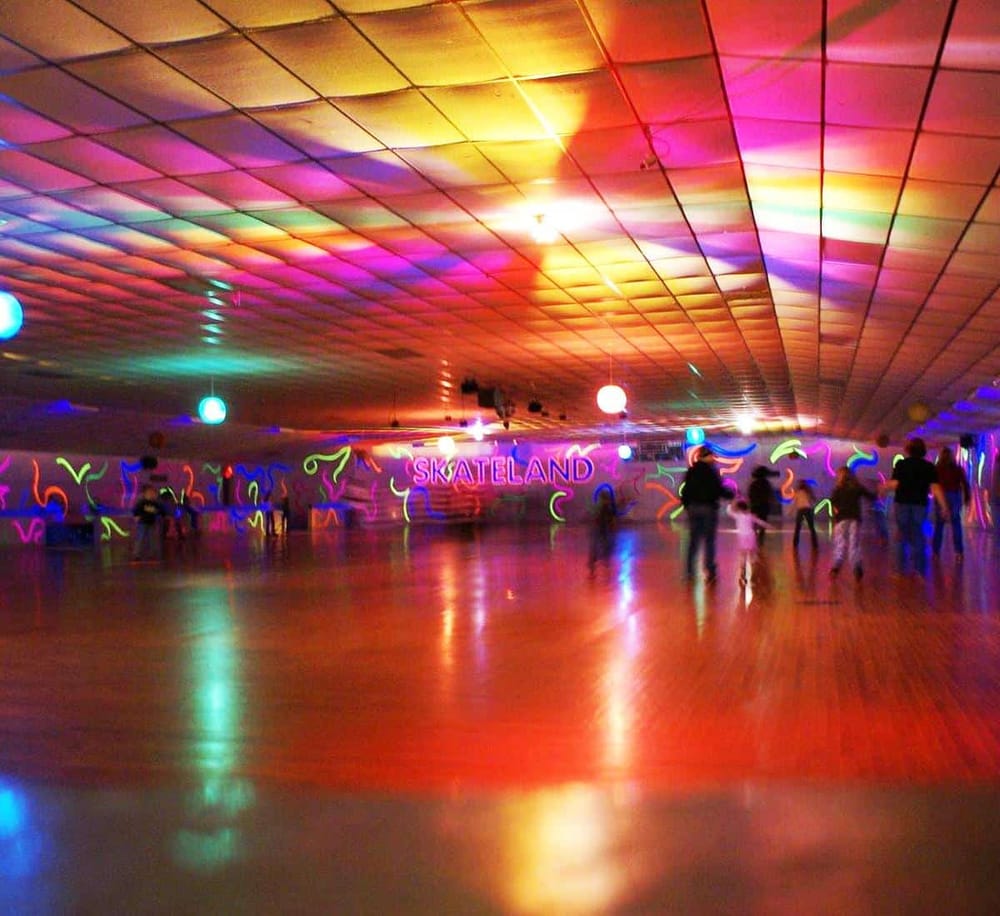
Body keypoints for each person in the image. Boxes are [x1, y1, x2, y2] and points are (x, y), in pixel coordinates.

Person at [883, 437, 948, 575]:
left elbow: (895, 484)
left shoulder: (901, 464)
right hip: (920, 505)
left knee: (901, 534)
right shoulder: (929, 467)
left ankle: (900, 570)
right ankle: (919, 569)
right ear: (923, 450)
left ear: (909, 450)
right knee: (918, 534)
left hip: (902, 503)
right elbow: (935, 488)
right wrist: (944, 506)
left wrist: (883, 488)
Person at [681, 445, 733, 584]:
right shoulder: (711, 471)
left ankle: (690, 572)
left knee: (694, 541)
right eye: (712, 456)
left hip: (693, 508)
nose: (714, 459)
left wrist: (687, 505)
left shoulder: (691, 471)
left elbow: (685, 490)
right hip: (708, 508)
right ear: (707, 456)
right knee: (709, 541)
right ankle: (710, 571)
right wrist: (731, 494)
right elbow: (718, 489)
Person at [829, 466, 876, 579]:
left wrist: (836, 514)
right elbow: (871, 497)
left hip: (841, 519)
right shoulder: (857, 487)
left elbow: (833, 503)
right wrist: (879, 491)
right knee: (854, 544)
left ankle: (836, 567)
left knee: (840, 544)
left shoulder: (838, 489)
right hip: (855, 519)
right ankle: (857, 567)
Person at [932, 446, 970, 560]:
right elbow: (965, 484)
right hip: (955, 496)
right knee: (956, 524)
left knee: (939, 524)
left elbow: (933, 484)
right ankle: (959, 552)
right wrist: (967, 497)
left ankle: (936, 552)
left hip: (941, 496)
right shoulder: (958, 469)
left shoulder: (937, 469)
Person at [728, 499, 771, 585]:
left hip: (742, 537)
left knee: (743, 555)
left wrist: (732, 503)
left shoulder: (738, 516)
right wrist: (769, 526)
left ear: (739, 508)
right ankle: (754, 573)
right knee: (752, 555)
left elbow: (729, 511)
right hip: (751, 536)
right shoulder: (750, 516)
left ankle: (743, 573)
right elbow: (760, 522)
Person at [132, 485, 164, 561]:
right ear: (145, 494)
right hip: (142, 523)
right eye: (149, 493)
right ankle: (136, 554)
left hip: (151, 523)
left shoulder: (155, 503)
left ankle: (152, 554)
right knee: (140, 538)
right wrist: (136, 516)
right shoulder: (142, 502)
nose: (150, 494)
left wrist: (161, 515)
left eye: (152, 493)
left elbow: (161, 511)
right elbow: (136, 510)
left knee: (152, 539)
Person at [587, 488, 616, 573]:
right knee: (598, 545)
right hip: (598, 528)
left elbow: (611, 519)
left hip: (601, 528)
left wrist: (612, 526)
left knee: (603, 545)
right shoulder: (601, 507)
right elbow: (595, 517)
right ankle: (594, 561)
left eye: (607, 499)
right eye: (606, 499)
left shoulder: (606, 508)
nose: (607, 501)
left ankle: (597, 560)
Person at [748, 466, 778, 546]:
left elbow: (750, 495)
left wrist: (751, 504)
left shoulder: (753, 484)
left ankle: (755, 538)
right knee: (763, 523)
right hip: (764, 506)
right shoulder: (767, 484)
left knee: (754, 523)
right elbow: (770, 495)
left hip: (755, 506)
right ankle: (761, 539)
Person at [792, 480, 819, 551]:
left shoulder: (797, 492)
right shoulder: (808, 491)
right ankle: (815, 544)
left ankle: (795, 544)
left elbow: (795, 502)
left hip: (801, 510)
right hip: (808, 509)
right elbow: (814, 500)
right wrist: (812, 506)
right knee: (811, 528)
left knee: (798, 528)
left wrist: (791, 511)